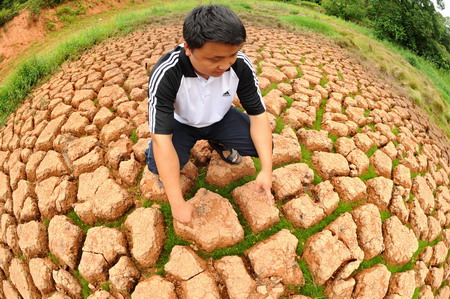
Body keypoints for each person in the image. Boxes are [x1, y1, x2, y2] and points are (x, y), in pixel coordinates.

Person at [145, 4, 273, 224]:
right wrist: (177, 204)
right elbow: (161, 139)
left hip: (221, 118)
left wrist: (267, 171)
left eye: (232, 54)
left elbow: (258, 116)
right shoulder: (168, 72)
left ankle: (218, 141)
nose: (225, 65)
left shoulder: (240, 65)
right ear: (188, 48)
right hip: (181, 123)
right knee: (157, 165)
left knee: (262, 147)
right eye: (214, 59)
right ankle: (186, 151)